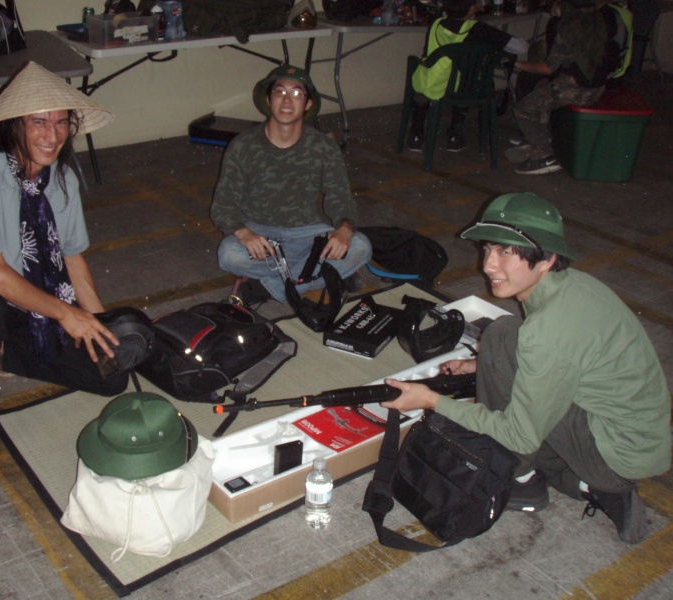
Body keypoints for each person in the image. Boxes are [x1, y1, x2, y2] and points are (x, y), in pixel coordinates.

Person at [382, 192, 670, 544]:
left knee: (509, 425)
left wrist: (430, 401)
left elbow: (519, 434)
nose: (488, 265)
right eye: (488, 248)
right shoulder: (572, 286)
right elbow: (554, 355)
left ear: (546, 258)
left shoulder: (547, 330)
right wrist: (480, 363)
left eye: (505, 252)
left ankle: (531, 482)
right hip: (639, 438)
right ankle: (582, 481)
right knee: (502, 338)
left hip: (615, 457)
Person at [0, 62, 127, 469]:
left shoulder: (63, 177)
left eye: (60, 123)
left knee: (111, 378)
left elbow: (72, 258)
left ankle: (0, 354)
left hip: (38, 306)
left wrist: (99, 325)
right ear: (13, 125)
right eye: (38, 122)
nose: (51, 136)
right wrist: (67, 315)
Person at [210, 64, 372, 307]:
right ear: (268, 99)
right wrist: (244, 233)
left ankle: (267, 287)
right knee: (228, 254)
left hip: (307, 234)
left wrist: (345, 229)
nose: (287, 100)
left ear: (307, 104)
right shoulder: (243, 145)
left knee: (361, 245)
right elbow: (223, 205)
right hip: (260, 235)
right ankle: (325, 274)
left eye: (297, 93)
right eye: (280, 92)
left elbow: (341, 199)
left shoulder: (323, 147)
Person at [510, 0, 632, 175]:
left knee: (523, 109)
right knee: (540, 88)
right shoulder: (601, 18)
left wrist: (518, 64)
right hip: (599, 85)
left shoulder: (567, 30)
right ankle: (542, 141)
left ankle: (545, 156)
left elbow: (548, 67)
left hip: (579, 90)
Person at [405, 0, 529, 153]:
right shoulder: (478, 29)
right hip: (461, 87)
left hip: (432, 81)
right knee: (467, 83)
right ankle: (454, 136)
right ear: (471, 9)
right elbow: (520, 47)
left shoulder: (435, 23)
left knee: (421, 88)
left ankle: (416, 135)